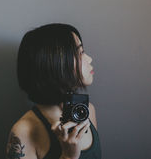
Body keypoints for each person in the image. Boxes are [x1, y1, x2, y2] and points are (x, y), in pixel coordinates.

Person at [6, 23, 101, 159]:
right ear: (56, 64)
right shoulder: (24, 131)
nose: (89, 59)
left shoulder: (88, 111)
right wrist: (68, 156)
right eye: (80, 53)